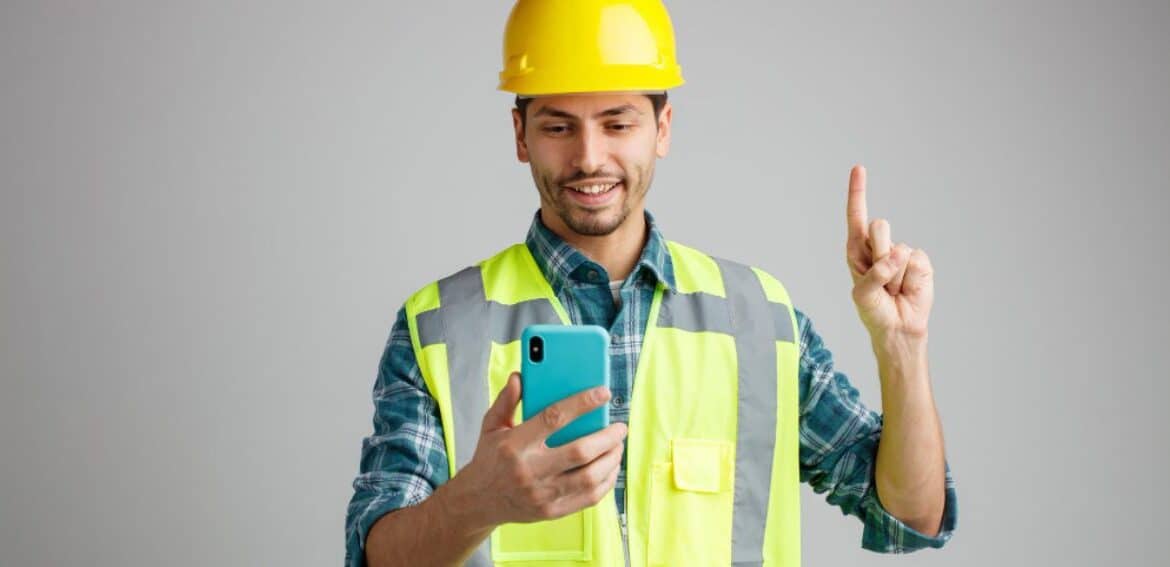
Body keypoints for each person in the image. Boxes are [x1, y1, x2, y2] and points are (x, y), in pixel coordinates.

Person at [345, 1, 957, 565]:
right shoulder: (441, 327)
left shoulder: (760, 318)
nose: (589, 157)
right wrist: (478, 502)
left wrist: (902, 349)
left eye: (618, 123)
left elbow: (910, 517)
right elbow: (377, 555)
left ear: (662, 128)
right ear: (519, 135)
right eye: (559, 127)